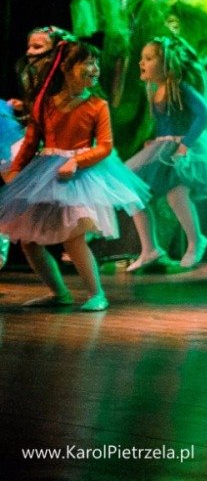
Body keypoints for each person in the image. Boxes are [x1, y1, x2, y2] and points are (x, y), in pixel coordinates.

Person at [0, 41, 150, 311]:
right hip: (44, 174)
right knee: (29, 241)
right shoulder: (45, 103)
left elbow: (104, 146)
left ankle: (97, 293)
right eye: (87, 63)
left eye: (96, 63)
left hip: (78, 176)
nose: (95, 69)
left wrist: (76, 162)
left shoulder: (97, 105)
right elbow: (31, 143)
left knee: (73, 236)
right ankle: (59, 292)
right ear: (66, 68)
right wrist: (16, 171)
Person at [123, 36, 207, 268]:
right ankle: (150, 249)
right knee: (130, 188)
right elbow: (165, 123)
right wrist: (156, 141)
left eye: (149, 58)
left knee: (176, 195)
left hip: (183, 148)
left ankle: (196, 241)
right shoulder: (154, 89)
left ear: (166, 63)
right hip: (162, 148)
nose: (142, 63)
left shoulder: (180, 88)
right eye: (142, 58)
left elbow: (203, 114)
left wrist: (185, 144)